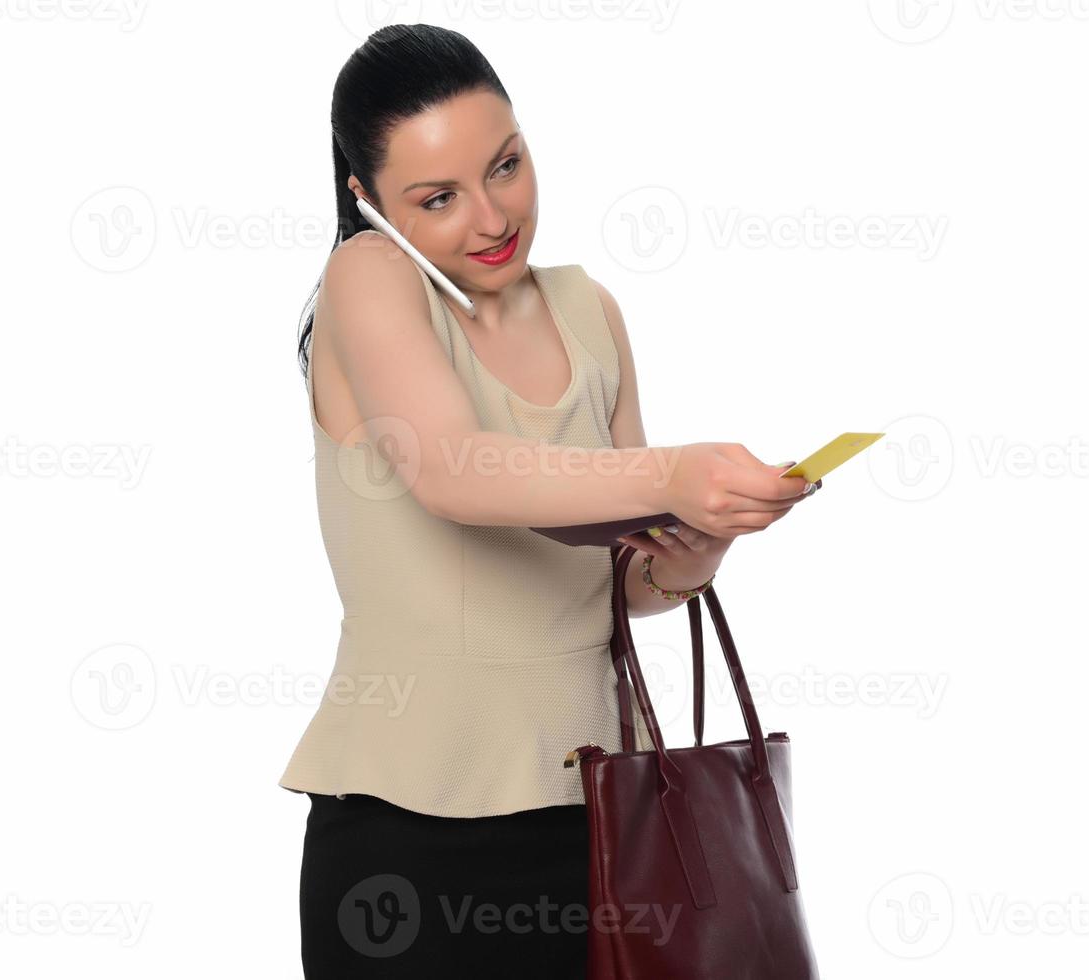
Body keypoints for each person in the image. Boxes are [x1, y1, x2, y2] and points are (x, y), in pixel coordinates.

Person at [280, 23, 817, 978]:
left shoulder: (588, 309)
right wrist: (671, 474)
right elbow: (455, 470)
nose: (491, 218)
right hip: (411, 827)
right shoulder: (369, 276)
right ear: (367, 199)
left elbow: (626, 579)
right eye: (438, 198)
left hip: (611, 817)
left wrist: (693, 548)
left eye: (508, 166)